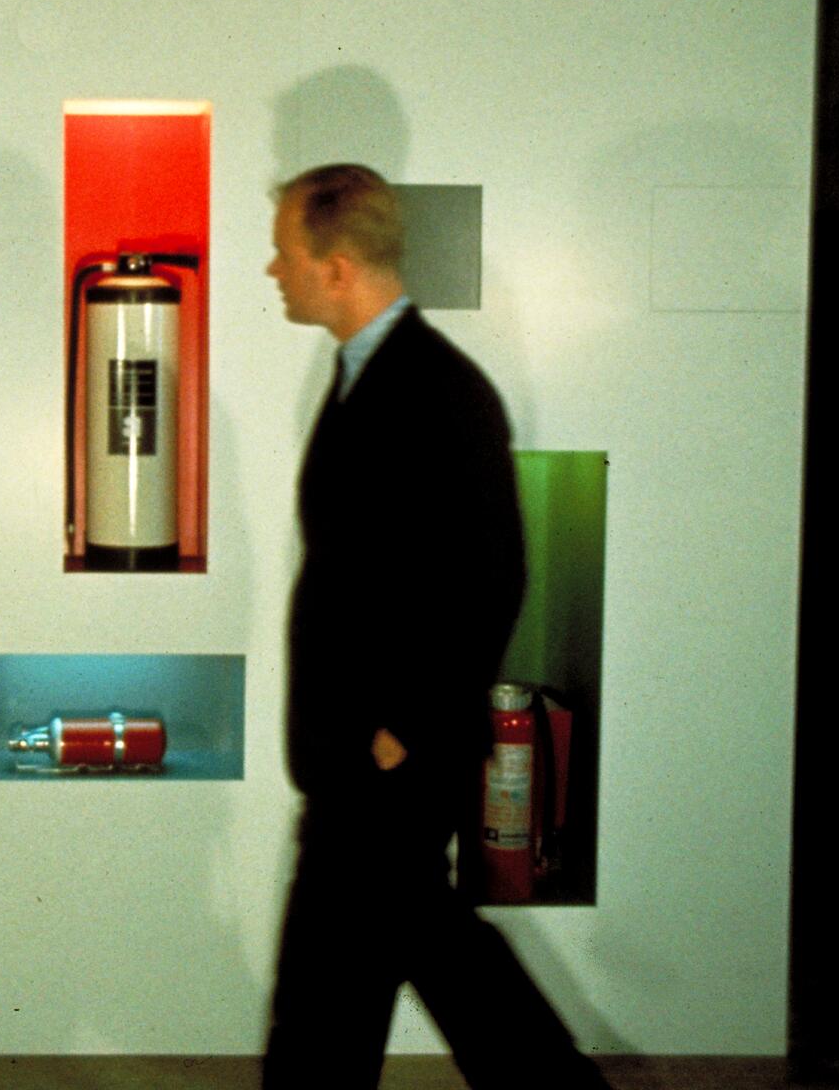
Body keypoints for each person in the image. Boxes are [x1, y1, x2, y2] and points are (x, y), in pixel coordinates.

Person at [261, 164, 610, 1089]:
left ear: (336, 267)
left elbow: (492, 577)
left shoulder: (437, 390)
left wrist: (401, 730)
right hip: (358, 748)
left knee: (378, 970)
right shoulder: (366, 375)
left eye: (285, 252)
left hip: (388, 755)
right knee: (382, 967)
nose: (272, 270)